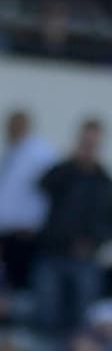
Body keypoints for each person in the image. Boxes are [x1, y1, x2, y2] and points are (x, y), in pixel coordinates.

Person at [32, 117, 112, 335]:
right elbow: (41, 188)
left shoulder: (107, 184)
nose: (88, 148)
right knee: (46, 311)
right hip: (51, 253)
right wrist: (70, 163)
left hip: (86, 259)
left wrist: (93, 242)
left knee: (83, 315)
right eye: (85, 143)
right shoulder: (62, 173)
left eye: (92, 144)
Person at [0, 109, 57, 291]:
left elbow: (48, 195)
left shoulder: (40, 154)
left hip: (25, 233)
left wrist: (34, 224)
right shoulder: (13, 153)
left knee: (18, 286)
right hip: (8, 233)